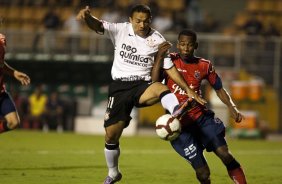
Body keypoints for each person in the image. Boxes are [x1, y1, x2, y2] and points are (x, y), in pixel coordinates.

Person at [76, 4, 206, 184]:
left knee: (160, 88)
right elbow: (98, 26)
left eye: (146, 21)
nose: (142, 25)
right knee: (111, 136)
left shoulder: (157, 39)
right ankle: (113, 173)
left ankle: (175, 114)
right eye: (138, 21)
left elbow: (169, 68)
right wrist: (87, 17)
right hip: (120, 87)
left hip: (142, 85)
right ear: (130, 20)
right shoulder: (120, 30)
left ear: (150, 21)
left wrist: (189, 90)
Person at [154, 29, 247, 184]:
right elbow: (155, 81)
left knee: (225, 154)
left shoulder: (204, 65)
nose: (185, 48)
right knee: (203, 173)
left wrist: (232, 107)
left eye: (189, 45)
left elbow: (219, 88)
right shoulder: (169, 61)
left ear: (195, 46)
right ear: (177, 44)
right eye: (182, 44)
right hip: (179, 127)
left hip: (201, 119)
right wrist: (159, 56)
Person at [0, 33, 31, 133]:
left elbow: (1, 63)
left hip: (1, 92)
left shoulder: (2, 39)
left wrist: (14, 73)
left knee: (14, 122)